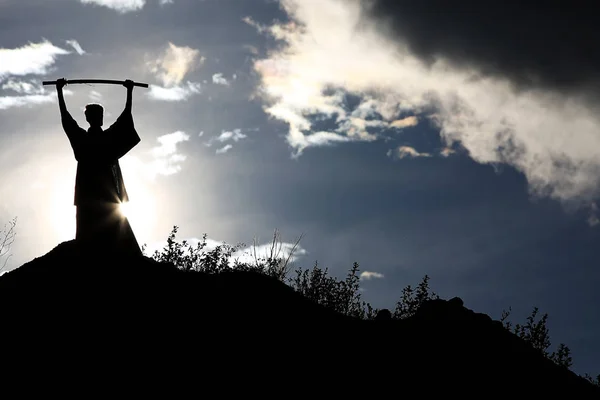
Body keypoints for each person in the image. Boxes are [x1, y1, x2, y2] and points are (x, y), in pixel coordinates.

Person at [56, 78, 142, 256]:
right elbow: (66, 118)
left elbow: (125, 118)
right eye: (96, 116)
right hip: (91, 192)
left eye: (100, 115)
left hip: (104, 192)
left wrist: (130, 92)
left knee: (111, 224)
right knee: (93, 228)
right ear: (89, 118)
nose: (99, 119)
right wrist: (59, 91)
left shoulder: (104, 138)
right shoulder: (87, 139)